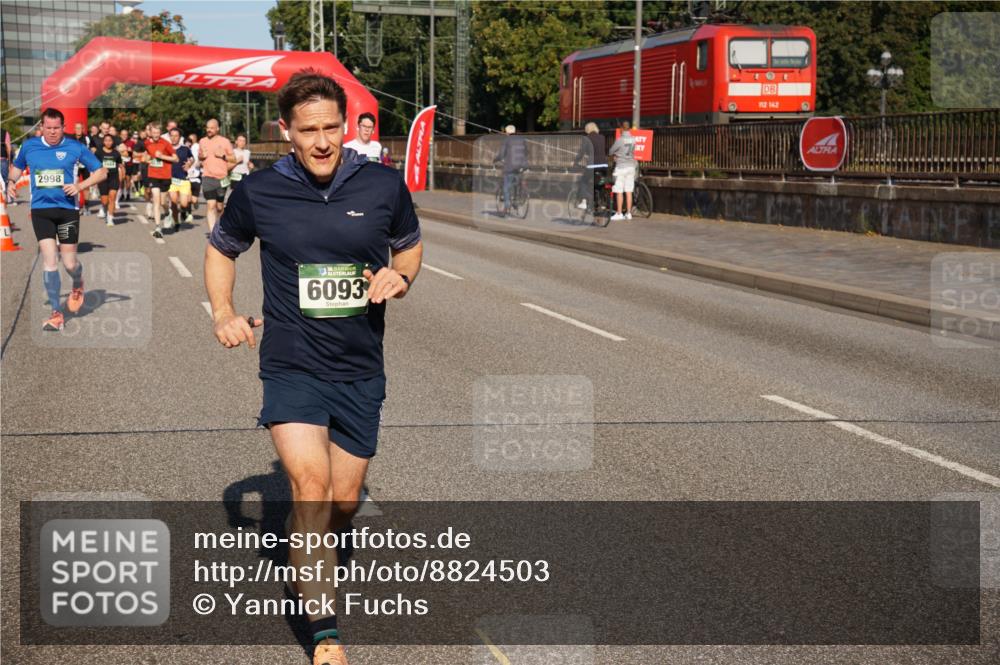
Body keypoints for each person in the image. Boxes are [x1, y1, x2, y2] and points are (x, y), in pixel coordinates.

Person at [204, 69, 422, 665]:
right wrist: (223, 310)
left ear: (345, 126)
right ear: (287, 131)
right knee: (312, 487)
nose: (322, 141)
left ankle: (314, 543)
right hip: (291, 362)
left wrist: (399, 276)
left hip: (360, 367)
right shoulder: (259, 191)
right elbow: (222, 249)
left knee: (342, 504)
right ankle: (324, 634)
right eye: (309, 130)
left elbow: (409, 243)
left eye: (331, 127)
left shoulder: (381, 184)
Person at [6, 107, 107, 331]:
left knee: (70, 263)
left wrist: (79, 186)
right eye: (48, 128)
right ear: (41, 127)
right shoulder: (30, 146)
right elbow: (17, 168)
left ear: (63, 128)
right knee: (49, 261)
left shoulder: (75, 147)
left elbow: (101, 172)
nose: (52, 132)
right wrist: (12, 182)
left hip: (67, 211)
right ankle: (56, 313)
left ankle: (78, 283)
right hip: (41, 210)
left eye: (57, 128)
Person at [198, 119, 236, 232]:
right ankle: (213, 233)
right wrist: (201, 156)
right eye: (207, 127)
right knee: (211, 205)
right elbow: (200, 158)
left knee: (219, 207)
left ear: (217, 129)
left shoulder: (225, 141)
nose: (209, 130)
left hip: (222, 178)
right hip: (207, 177)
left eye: (212, 128)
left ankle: (221, 225)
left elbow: (233, 159)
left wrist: (223, 156)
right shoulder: (202, 141)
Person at [143, 121, 178, 238]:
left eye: (158, 132)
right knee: (156, 200)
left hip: (165, 176)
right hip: (153, 175)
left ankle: (168, 213)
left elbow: (176, 159)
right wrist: (147, 158)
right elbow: (147, 154)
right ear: (150, 133)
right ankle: (158, 227)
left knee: (163, 202)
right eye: (154, 133)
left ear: (160, 132)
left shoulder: (166, 143)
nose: (156, 135)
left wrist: (162, 156)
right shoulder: (147, 143)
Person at [493, 124, 527, 217]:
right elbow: (526, 152)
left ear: (507, 132)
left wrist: (495, 159)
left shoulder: (507, 140)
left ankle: (507, 205)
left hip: (510, 167)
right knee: (516, 182)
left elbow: (501, 154)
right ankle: (516, 201)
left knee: (506, 187)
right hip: (522, 166)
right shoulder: (522, 139)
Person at [608, 120, 637, 221]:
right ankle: (628, 213)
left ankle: (619, 213)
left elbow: (611, 151)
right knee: (629, 191)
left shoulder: (620, 139)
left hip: (621, 167)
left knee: (619, 190)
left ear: (622, 129)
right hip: (631, 167)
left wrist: (616, 155)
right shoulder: (634, 139)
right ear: (629, 128)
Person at [575, 122, 607, 210]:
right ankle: (602, 203)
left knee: (583, 182)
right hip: (603, 165)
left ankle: (584, 202)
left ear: (587, 130)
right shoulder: (602, 137)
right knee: (600, 183)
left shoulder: (587, 139)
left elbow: (582, 152)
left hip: (593, 165)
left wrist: (576, 161)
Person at [167, 127, 194, 229]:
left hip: (183, 180)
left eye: (176, 136)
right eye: (172, 136)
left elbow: (192, 158)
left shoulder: (185, 149)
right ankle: (176, 222)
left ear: (180, 137)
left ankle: (183, 211)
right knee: (173, 202)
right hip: (171, 180)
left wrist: (189, 164)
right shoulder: (167, 148)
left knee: (184, 203)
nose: (174, 138)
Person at [94, 133, 123, 226]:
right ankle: (104, 208)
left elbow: (121, 165)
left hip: (114, 177)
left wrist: (121, 176)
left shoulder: (116, 153)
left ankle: (110, 218)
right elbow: (94, 165)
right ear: (103, 141)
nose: (108, 142)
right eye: (106, 140)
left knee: (112, 197)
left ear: (113, 142)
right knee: (104, 200)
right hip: (102, 178)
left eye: (110, 140)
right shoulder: (98, 152)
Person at [187, 132, 202, 217]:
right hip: (188, 175)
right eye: (189, 139)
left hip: (196, 176)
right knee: (188, 197)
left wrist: (200, 162)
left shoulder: (198, 147)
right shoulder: (186, 148)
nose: (190, 141)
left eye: (192, 139)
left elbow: (202, 157)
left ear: (195, 139)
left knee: (193, 199)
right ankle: (189, 214)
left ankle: (196, 202)